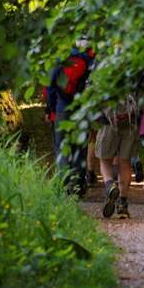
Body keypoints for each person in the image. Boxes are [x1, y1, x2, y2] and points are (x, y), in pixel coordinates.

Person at [47, 40, 96, 196]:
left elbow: (50, 87)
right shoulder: (88, 62)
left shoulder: (60, 60)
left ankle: (63, 185)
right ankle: (78, 186)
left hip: (62, 109)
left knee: (62, 148)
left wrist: (50, 109)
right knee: (80, 149)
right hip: (81, 110)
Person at [95, 95, 139, 219]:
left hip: (108, 121)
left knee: (104, 160)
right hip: (130, 121)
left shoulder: (102, 75)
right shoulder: (132, 75)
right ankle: (122, 204)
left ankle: (110, 185)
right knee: (125, 162)